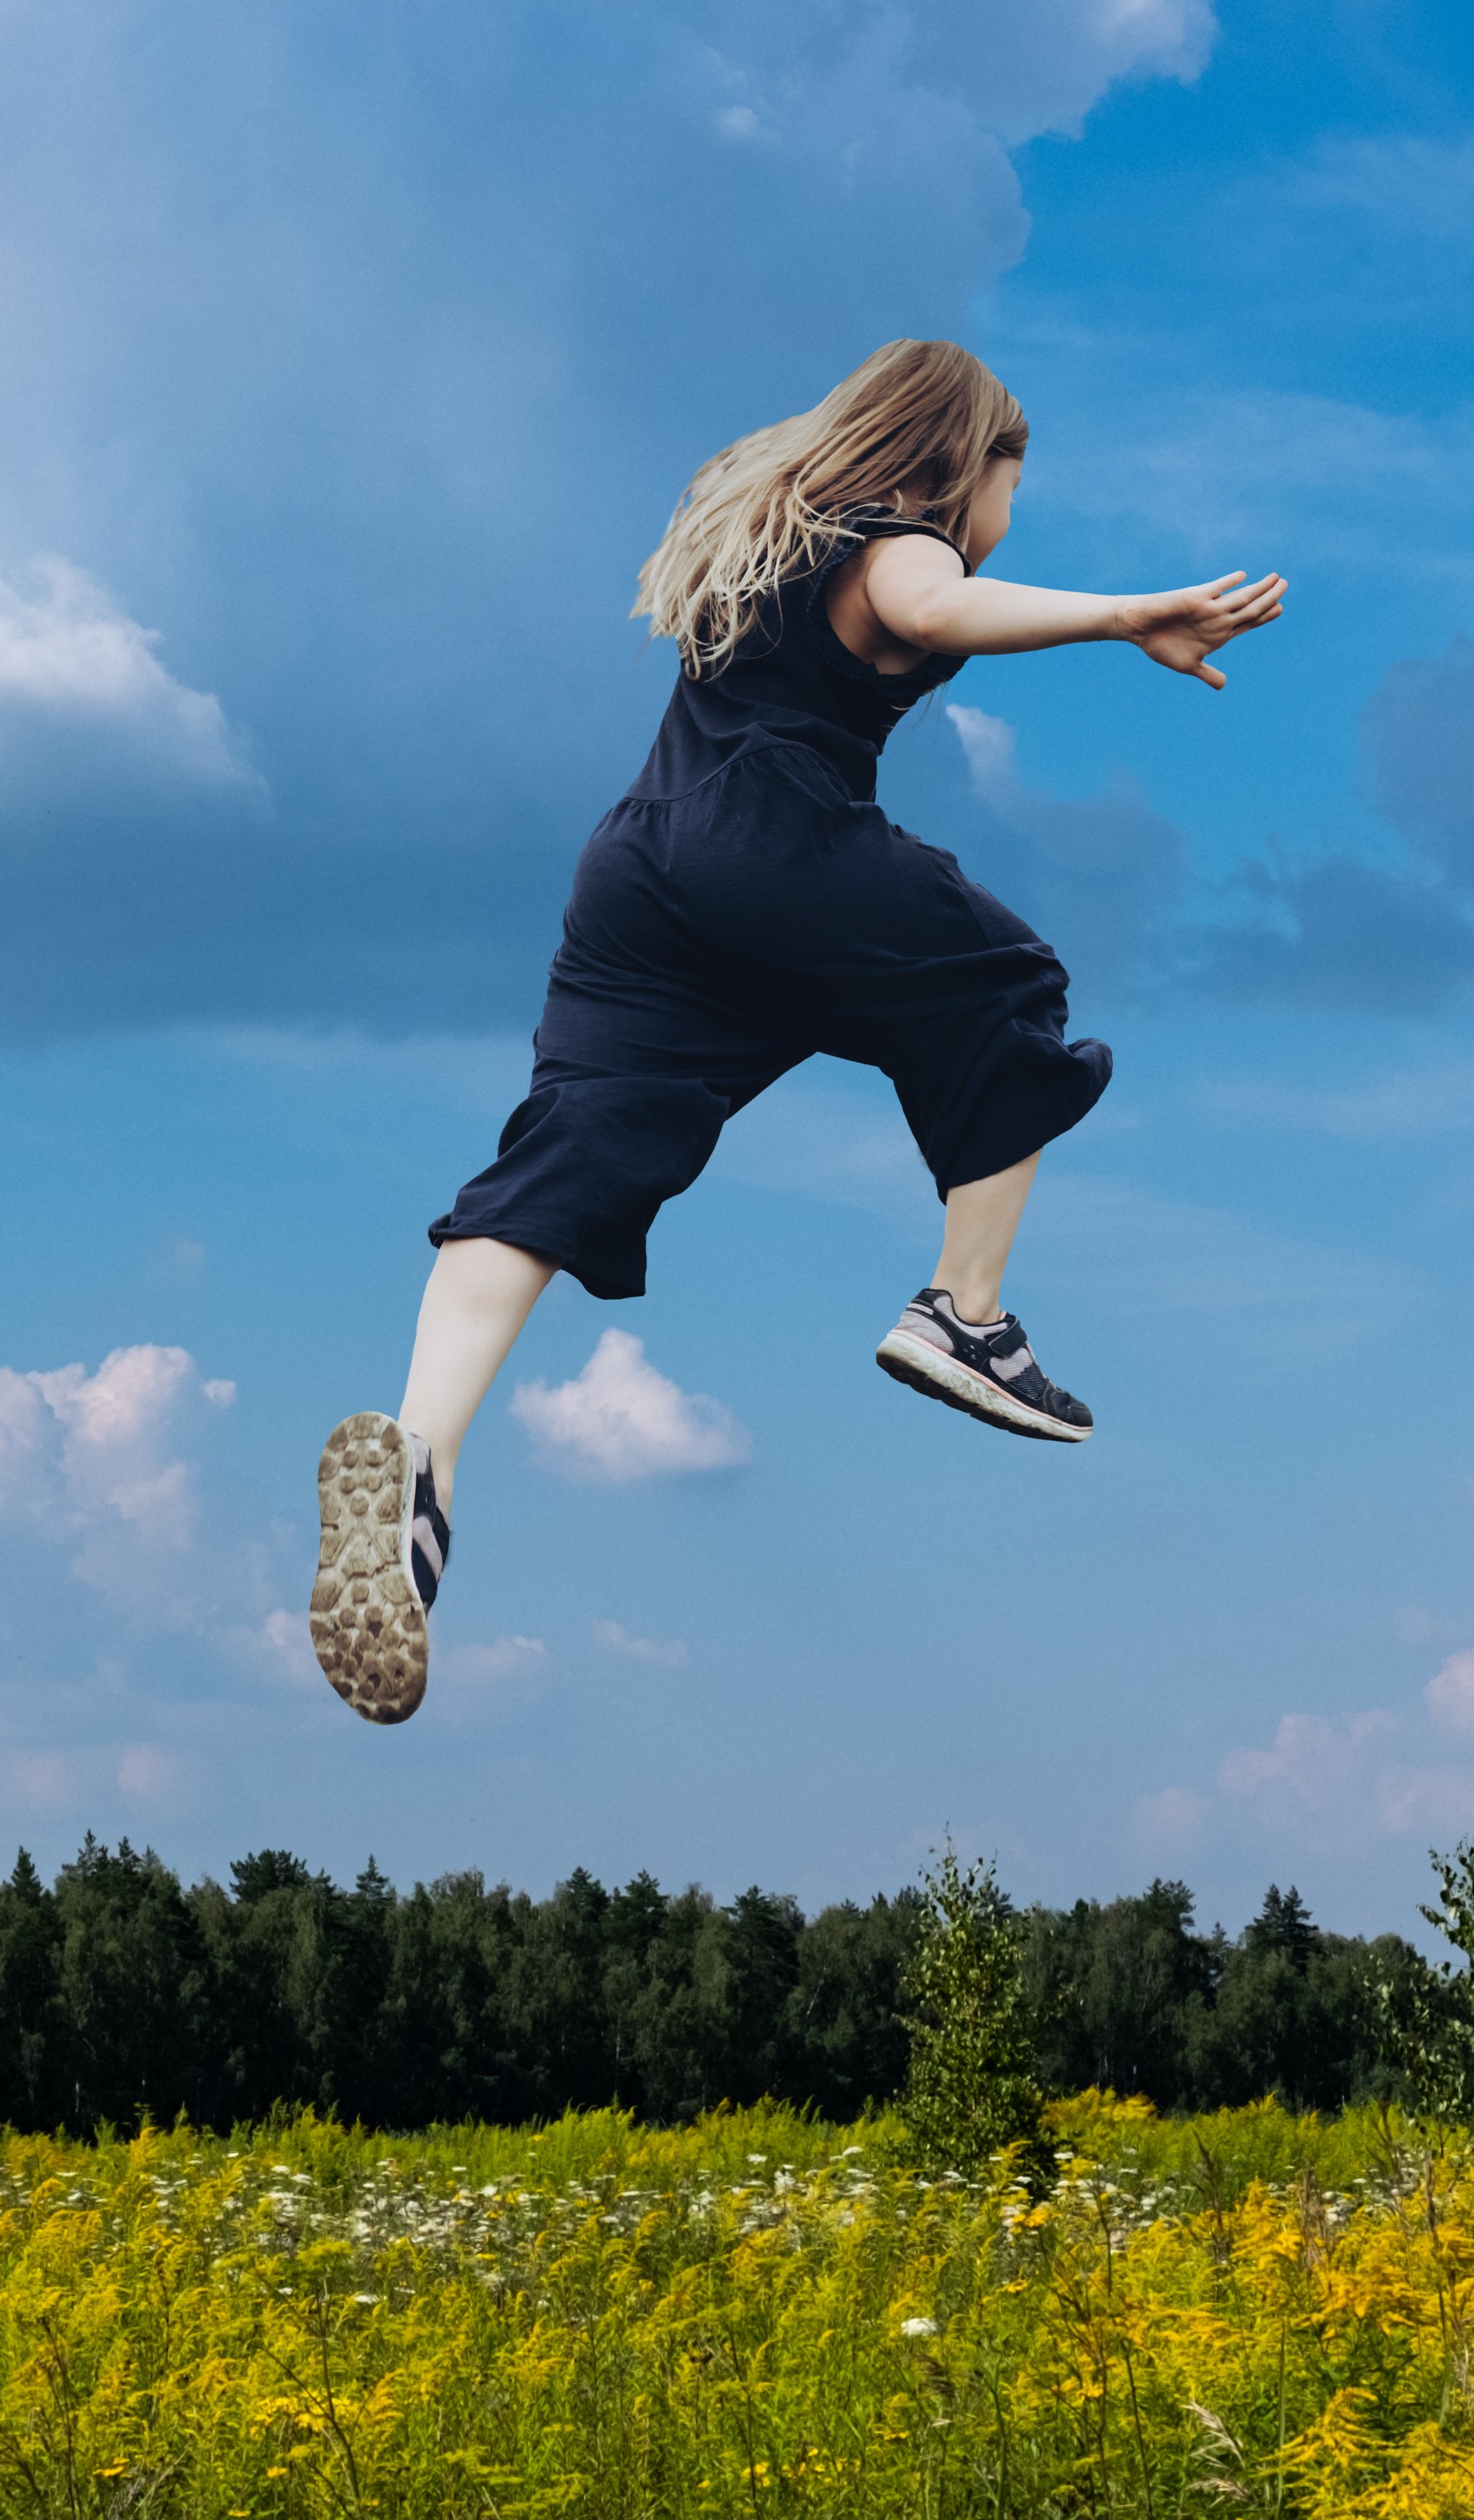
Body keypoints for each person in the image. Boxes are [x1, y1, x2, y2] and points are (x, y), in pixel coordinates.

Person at [307, 337, 1286, 1725]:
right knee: (1003, 987)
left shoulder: (763, 542)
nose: (1014, 510)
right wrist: (1122, 616)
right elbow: (933, 605)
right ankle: (968, 1313)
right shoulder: (896, 542)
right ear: (966, 463)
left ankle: (420, 1464)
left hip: (642, 873)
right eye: (1014, 482)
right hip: (771, 841)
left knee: (577, 1143)